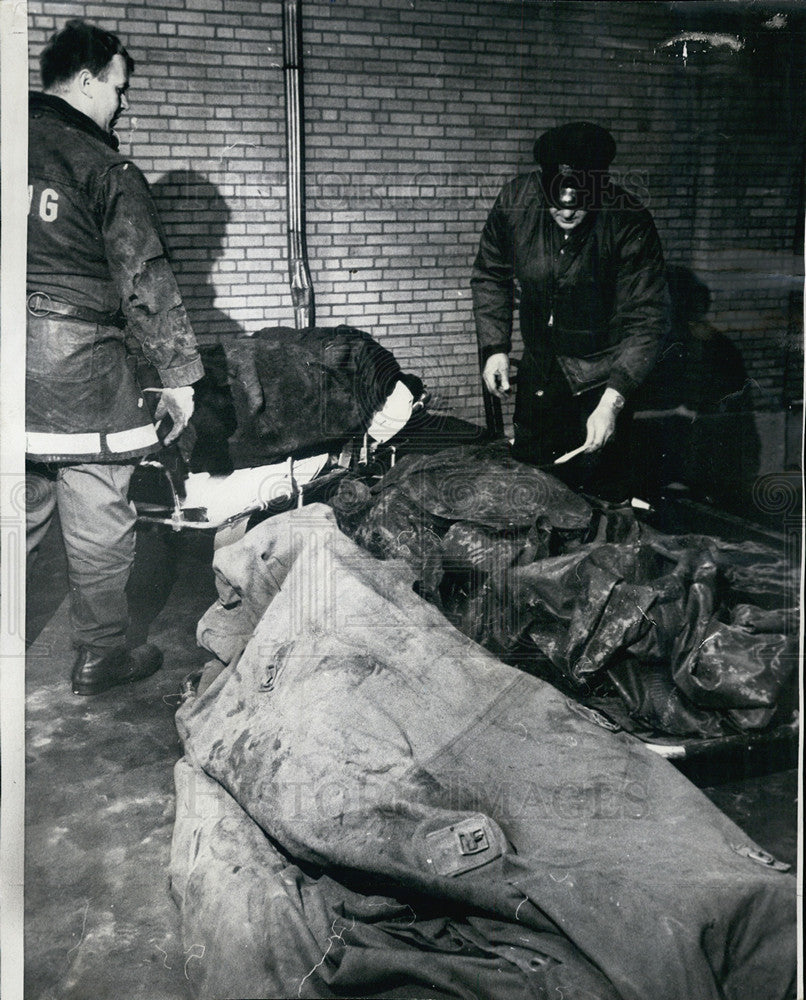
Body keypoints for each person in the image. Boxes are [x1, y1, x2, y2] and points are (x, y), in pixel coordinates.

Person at [26, 20, 204, 696]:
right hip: (79, 369)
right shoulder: (102, 167)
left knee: (18, 510)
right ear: (86, 81)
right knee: (99, 507)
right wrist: (181, 379)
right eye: (118, 90)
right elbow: (145, 280)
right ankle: (101, 654)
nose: (121, 106)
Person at [471, 121, 669, 499]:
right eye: (555, 204)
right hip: (540, 370)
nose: (565, 214)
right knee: (531, 487)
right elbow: (490, 274)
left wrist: (613, 401)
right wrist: (494, 347)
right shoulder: (516, 201)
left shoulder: (629, 221)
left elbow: (648, 320)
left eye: (577, 206)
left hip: (600, 377)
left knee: (598, 493)